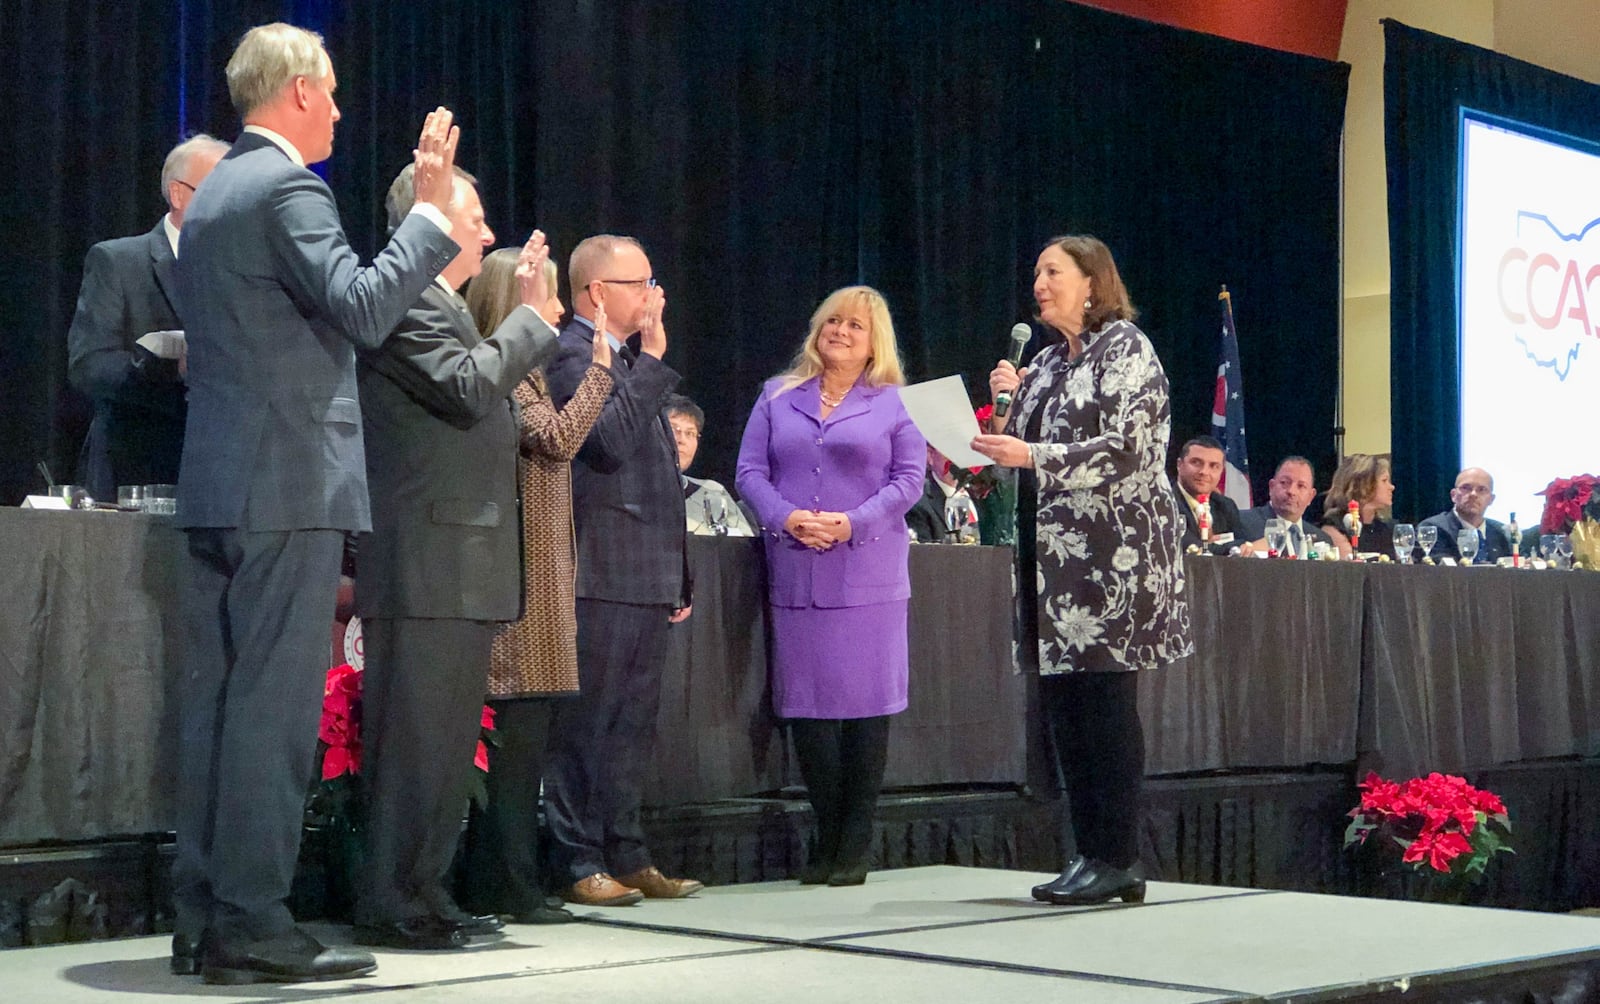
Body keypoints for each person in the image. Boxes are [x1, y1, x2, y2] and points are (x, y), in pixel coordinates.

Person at [169, 22, 462, 984]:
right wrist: (427, 218)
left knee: (217, 708)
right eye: (332, 93)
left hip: (218, 479)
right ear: (298, 91)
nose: (339, 110)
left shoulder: (214, 193)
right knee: (271, 711)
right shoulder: (290, 185)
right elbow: (366, 308)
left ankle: (206, 916)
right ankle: (254, 921)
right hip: (285, 480)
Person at [350, 167, 561, 950]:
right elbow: (469, 390)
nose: (484, 232)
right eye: (472, 218)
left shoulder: (446, 309)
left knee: (444, 744)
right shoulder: (405, 304)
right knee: (414, 742)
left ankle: (426, 890)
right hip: (426, 556)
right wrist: (531, 319)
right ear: (431, 227)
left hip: (460, 559)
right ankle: (391, 898)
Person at [971, 235, 1191, 907]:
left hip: (1112, 558)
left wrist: (1031, 451)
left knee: (1104, 707)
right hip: (1053, 564)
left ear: (1092, 283)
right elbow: (1019, 456)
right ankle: (1089, 852)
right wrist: (990, 433)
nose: (1038, 283)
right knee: (1066, 711)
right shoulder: (1042, 363)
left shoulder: (1126, 349)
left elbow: (1129, 450)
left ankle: (1117, 856)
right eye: (1035, 271)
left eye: (1053, 272)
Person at [736, 285, 925, 885]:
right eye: (833, 322)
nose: (840, 332)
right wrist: (786, 517)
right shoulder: (776, 396)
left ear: (875, 344)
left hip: (868, 574)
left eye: (855, 326)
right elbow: (748, 471)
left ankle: (856, 839)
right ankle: (827, 831)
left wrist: (851, 523)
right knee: (811, 711)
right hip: (796, 567)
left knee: (866, 711)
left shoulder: (895, 404)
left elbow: (909, 482)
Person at [541, 235, 703, 907]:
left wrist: (681, 572)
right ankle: (578, 857)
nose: (652, 294)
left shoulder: (632, 362)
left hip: (647, 572)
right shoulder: (568, 353)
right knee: (589, 722)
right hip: (600, 568)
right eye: (638, 282)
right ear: (597, 294)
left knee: (634, 725)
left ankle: (627, 849)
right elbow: (603, 444)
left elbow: (665, 478)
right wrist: (656, 360)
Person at [456, 249, 613, 925]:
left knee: (528, 747)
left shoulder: (527, 375)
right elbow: (554, 441)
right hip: (518, 593)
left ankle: (514, 879)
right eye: (547, 299)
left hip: (543, 585)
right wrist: (601, 373)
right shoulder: (507, 372)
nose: (556, 312)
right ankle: (505, 885)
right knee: (513, 750)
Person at [67, 134, 229, 499]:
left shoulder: (242, 272)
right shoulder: (119, 262)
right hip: (139, 470)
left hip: (224, 474)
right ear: (178, 195)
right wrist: (169, 367)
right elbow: (88, 366)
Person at [667, 394, 755, 536]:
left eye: (690, 433)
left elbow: (744, 545)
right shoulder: (629, 493)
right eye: (674, 430)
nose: (681, 440)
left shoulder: (712, 493)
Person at [1236, 456, 1332, 557]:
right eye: (1284, 483)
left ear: (1311, 496)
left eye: (1301, 486)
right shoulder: (1242, 522)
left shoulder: (1322, 540)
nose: (1291, 491)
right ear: (1271, 487)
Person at [1170, 435, 1250, 554]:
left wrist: (1213, 547)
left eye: (1214, 466)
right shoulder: (1166, 502)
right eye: (1196, 463)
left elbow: (1244, 543)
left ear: (1221, 471)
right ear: (1179, 465)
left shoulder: (1225, 505)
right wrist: (1226, 547)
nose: (1204, 472)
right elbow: (1190, 548)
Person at [1417, 466, 1514, 563]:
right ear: (1453, 495)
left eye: (1481, 489)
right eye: (1466, 488)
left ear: (1491, 499)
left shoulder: (1500, 532)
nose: (1473, 494)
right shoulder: (1434, 528)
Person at [1319, 454, 1396, 559]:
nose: (1391, 487)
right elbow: (1350, 569)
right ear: (1363, 485)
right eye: (1384, 481)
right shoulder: (1335, 527)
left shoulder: (1387, 529)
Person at [904, 444, 979, 544]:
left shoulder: (983, 495)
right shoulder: (918, 501)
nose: (957, 459)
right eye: (950, 451)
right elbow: (923, 555)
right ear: (930, 455)